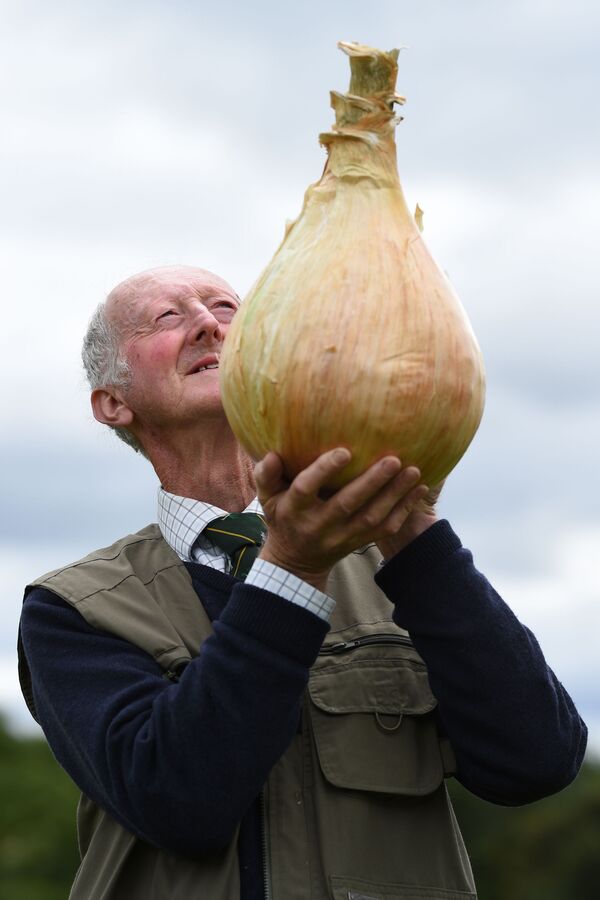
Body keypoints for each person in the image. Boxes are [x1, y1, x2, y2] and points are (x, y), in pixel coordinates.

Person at [19, 265, 586, 900]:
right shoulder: (74, 606)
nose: (209, 324)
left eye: (227, 309)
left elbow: (536, 763)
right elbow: (178, 800)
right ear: (113, 403)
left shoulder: (398, 566)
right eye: (168, 318)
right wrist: (291, 566)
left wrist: (413, 533)